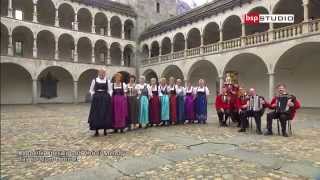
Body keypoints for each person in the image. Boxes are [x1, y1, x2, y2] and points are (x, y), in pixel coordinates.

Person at [88, 68, 112, 136]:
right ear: (98, 73)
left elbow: (110, 90)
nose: (102, 74)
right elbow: (91, 90)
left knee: (105, 113)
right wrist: (93, 95)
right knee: (96, 114)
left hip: (105, 98)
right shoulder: (94, 80)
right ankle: (96, 131)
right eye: (101, 72)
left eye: (104, 73)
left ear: (105, 73)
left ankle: (105, 130)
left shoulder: (107, 81)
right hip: (96, 99)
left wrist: (108, 96)